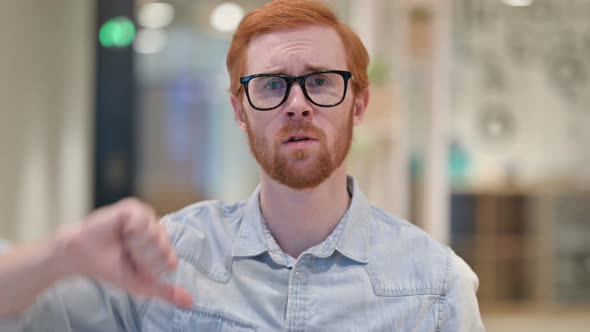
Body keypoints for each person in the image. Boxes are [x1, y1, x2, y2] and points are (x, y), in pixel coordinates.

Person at [0, 0, 484, 331]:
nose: (297, 104)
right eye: (272, 85)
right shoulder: (173, 259)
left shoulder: (435, 286)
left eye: (320, 81)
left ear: (358, 104)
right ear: (239, 111)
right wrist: (62, 253)